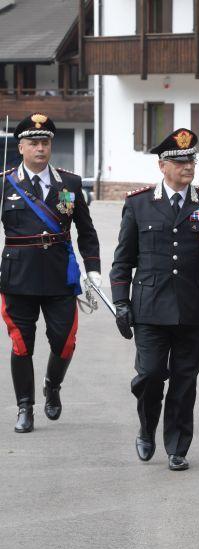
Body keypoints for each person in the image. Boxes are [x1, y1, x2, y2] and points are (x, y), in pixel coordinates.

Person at [109, 128, 199, 471]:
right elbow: (123, 259)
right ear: (162, 166)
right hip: (150, 308)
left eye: (191, 160)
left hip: (193, 309)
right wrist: (121, 302)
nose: (188, 167)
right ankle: (147, 425)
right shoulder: (138, 204)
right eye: (180, 162)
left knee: (185, 381)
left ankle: (178, 446)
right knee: (151, 376)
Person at [0, 113, 100, 433]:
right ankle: (25, 407)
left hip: (60, 275)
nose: (40, 149)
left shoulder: (69, 183)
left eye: (45, 143)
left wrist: (94, 270)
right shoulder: (5, 182)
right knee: (21, 344)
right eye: (33, 143)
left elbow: (86, 230)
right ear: (21, 146)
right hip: (18, 277)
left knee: (65, 342)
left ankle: (52, 385)